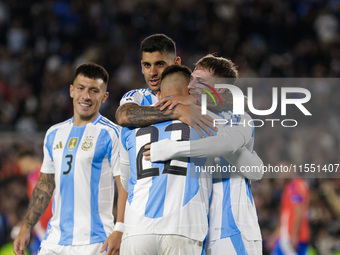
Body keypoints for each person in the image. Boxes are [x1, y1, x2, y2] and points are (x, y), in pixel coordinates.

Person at [145, 55, 263, 254]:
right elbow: (255, 168)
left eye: (200, 81)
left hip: (232, 229)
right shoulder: (188, 120)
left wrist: (172, 149)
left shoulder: (239, 118)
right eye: (192, 79)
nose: (190, 86)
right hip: (199, 230)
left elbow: (229, 147)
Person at [13, 62, 127, 255]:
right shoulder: (53, 133)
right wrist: (26, 226)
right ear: (72, 91)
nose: (86, 96)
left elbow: (124, 183)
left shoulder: (112, 133)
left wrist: (120, 228)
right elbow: (45, 185)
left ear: (104, 96)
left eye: (94, 91)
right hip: (54, 240)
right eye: (81, 88)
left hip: (94, 241)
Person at [119, 65, 211, 255]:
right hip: (182, 226)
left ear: (159, 94)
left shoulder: (129, 128)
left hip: (136, 228)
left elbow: (124, 179)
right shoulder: (204, 120)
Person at [115, 33, 213, 137]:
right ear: (142, 67)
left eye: (160, 64)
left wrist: (191, 99)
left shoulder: (197, 90)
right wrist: (177, 111)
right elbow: (124, 116)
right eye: (147, 65)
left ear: (176, 63)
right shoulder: (137, 96)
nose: (152, 72)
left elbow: (228, 99)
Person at [269, 175, 310, 255]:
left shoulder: (296, 185)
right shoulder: (288, 187)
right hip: (286, 236)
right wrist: (275, 235)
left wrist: (294, 235)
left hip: (294, 237)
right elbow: (285, 216)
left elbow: (298, 211)